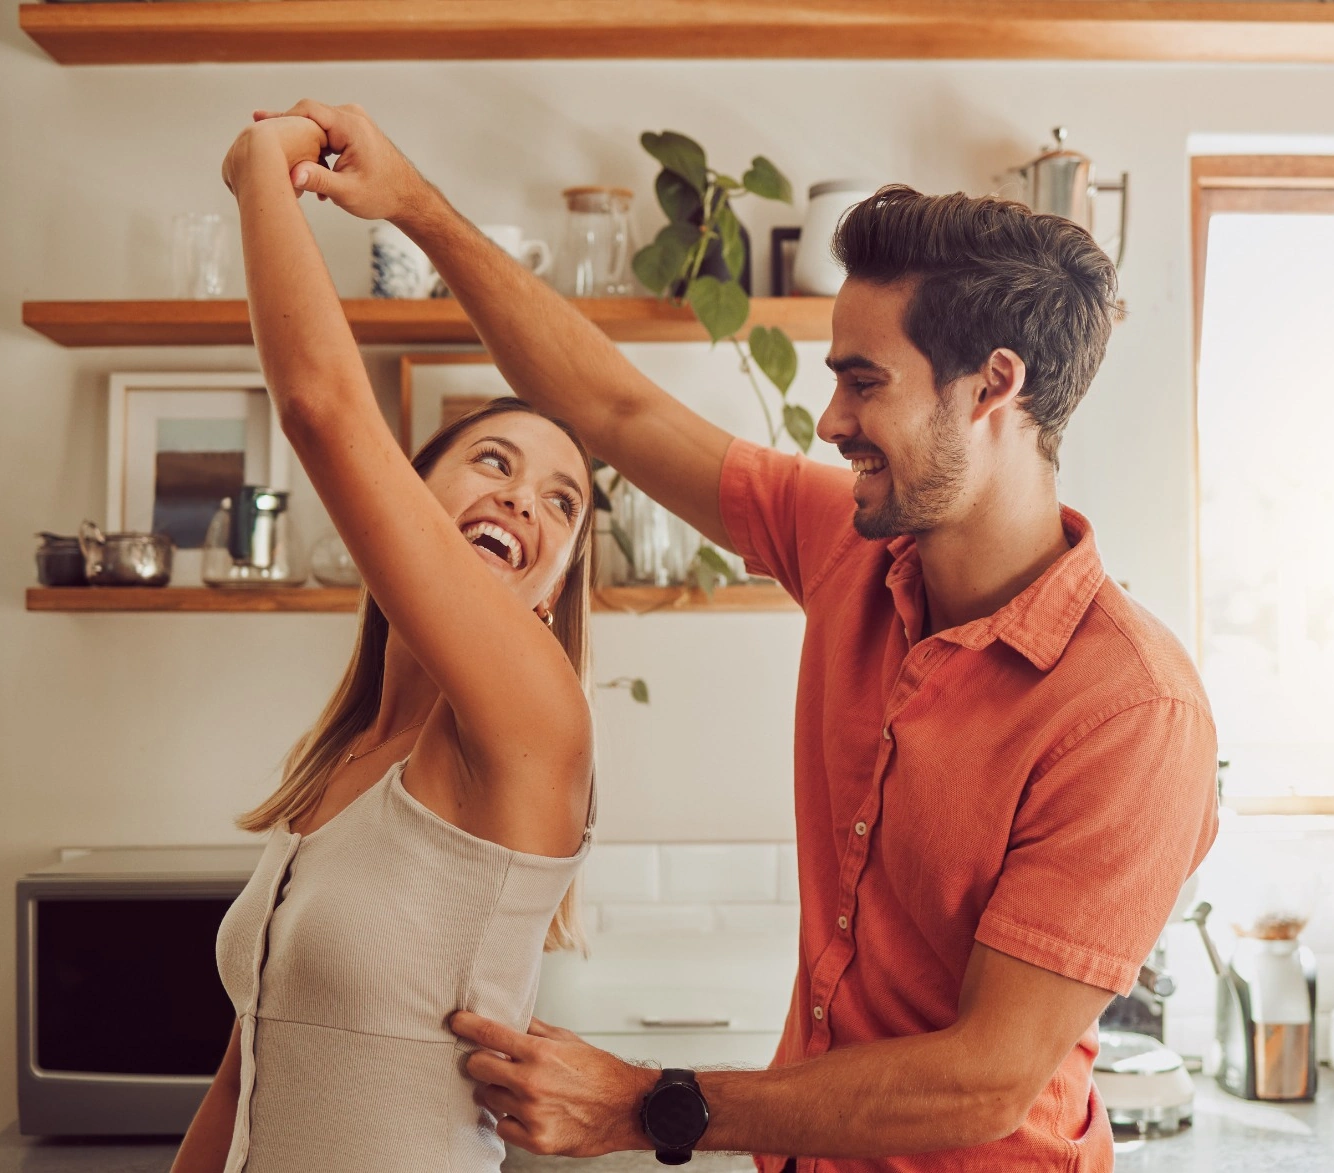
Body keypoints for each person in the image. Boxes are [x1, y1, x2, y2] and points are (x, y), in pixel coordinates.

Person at [267, 100, 1219, 1173]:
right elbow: (616, 413)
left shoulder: (1131, 711)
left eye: (864, 382)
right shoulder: (852, 544)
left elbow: (986, 1076)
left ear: (993, 387)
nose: (831, 421)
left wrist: (647, 1106)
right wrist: (417, 210)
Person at [170, 114, 599, 1173]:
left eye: (561, 503)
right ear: (407, 506)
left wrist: (259, 169)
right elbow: (242, 1080)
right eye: (492, 462)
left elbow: (320, 406)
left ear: (550, 592)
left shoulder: (532, 725)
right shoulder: (342, 767)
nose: (522, 501)